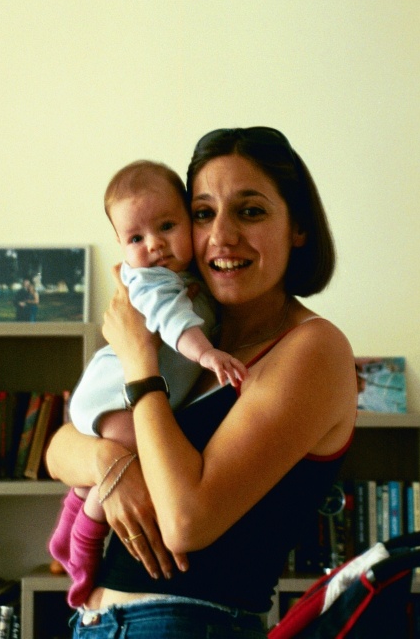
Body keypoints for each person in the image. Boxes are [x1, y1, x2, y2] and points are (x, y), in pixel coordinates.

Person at [46, 127, 358, 639]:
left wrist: (139, 360)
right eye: (203, 213)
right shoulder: (195, 332)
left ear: (298, 227)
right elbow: (59, 450)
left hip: (189, 624)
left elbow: (185, 522)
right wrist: (110, 464)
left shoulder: (312, 349)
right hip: (100, 623)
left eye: (250, 211)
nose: (221, 236)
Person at [49, 160, 246, 607]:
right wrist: (207, 354)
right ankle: (83, 537)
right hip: (115, 390)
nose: (154, 244)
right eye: (136, 238)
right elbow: (173, 321)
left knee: (127, 455)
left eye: (167, 226)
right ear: (120, 245)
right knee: (136, 450)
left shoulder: (190, 279)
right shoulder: (154, 281)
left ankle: (72, 514)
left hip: (122, 390)